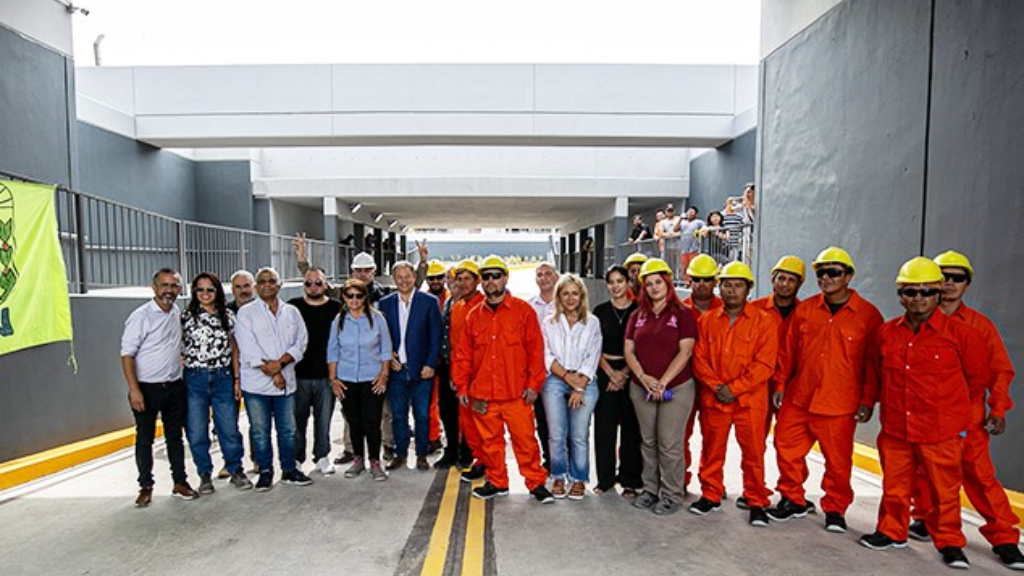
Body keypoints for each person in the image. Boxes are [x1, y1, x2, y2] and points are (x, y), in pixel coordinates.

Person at [859, 257, 988, 569]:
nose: (919, 298)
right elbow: (874, 373)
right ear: (900, 295)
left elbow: (976, 381)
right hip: (896, 429)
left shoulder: (962, 335)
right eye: (911, 291)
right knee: (895, 487)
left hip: (940, 432)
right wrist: (867, 403)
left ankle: (950, 543)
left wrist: (952, 418)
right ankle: (892, 531)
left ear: (938, 294)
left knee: (944, 493)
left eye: (926, 291)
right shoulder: (887, 333)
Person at [906, 251, 1024, 569]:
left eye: (957, 278)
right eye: (943, 276)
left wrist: (998, 409)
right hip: (927, 419)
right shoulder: (916, 323)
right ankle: (927, 519)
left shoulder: (979, 327)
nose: (949, 283)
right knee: (925, 474)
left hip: (967, 421)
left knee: (981, 478)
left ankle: (1004, 538)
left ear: (967, 284)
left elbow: (1000, 371)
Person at [768, 247, 883, 533]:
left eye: (834, 272)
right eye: (821, 273)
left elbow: (873, 364)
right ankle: (792, 498)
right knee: (786, 448)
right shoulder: (805, 310)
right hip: (799, 397)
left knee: (838, 462)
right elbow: (787, 352)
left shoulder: (868, 316)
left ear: (848, 276)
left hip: (839, 404)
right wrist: (780, 384)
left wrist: (868, 400)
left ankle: (835, 509)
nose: (826, 278)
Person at [452, 255, 555, 504]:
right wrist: (462, 386)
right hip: (483, 393)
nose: (491, 281)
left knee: (526, 442)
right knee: (490, 443)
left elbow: (536, 352)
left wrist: (534, 385)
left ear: (505, 278)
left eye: (496, 276)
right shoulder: (473, 316)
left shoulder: (523, 312)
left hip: (516, 393)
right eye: (486, 277)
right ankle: (497, 481)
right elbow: (463, 355)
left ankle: (536, 483)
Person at [689, 262, 778, 527]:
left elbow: (765, 364)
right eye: (727, 285)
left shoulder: (765, 322)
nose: (731, 290)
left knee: (754, 454)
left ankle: (756, 500)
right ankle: (710, 494)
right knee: (711, 450)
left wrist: (734, 389)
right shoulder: (707, 321)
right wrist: (718, 387)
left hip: (749, 402)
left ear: (748, 289)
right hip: (715, 399)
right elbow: (699, 359)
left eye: (738, 285)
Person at [624, 258, 698, 515]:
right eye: (649, 284)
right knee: (648, 442)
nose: (654, 287)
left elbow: (685, 351)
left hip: (676, 388)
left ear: (668, 283)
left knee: (669, 443)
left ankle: (671, 494)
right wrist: (643, 377)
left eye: (658, 282)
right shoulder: (637, 315)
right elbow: (629, 350)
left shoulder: (682, 314)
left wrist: (663, 381)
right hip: (642, 387)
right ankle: (650, 489)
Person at [120, 268, 198, 507]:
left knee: (175, 437)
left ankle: (180, 483)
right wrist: (134, 390)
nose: (169, 290)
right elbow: (127, 355)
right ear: (154, 287)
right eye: (164, 285)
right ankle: (145, 486)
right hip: (146, 389)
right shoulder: (141, 317)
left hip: (174, 387)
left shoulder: (176, 313)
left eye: (174, 286)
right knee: (145, 439)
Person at [234, 267, 312, 491]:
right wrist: (275, 372)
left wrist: (281, 365)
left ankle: (289, 470)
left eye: (272, 281)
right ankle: (265, 472)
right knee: (260, 432)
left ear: (280, 285)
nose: (267, 285)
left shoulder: (292, 312)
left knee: (288, 430)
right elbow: (248, 349)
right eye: (262, 281)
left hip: (286, 384)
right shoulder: (246, 313)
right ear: (256, 287)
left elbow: (301, 342)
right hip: (257, 385)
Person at [181, 272, 252, 494]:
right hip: (195, 378)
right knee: (196, 429)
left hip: (223, 377)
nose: (205, 294)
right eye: (200, 289)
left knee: (228, 427)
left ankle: (235, 469)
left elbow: (235, 348)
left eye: (210, 289)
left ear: (217, 291)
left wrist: (237, 378)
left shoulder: (228, 316)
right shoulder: (185, 317)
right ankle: (204, 474)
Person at [745, 255, 805, 508]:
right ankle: (753, 490)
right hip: (757, 384)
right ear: (772, 279)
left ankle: (792, 493)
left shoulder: (805, 313)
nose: (785, 284)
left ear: (799, 284)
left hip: (791, 386)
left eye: (791, 280)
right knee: (754, 442)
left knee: (790, 444)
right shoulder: (755, 309)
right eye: (781, 278)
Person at [540, 274, 602, 500]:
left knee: (579, 435)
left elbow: (593, 355)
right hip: (557, 378)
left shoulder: (592, 322)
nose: (570, 298)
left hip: (585, 380)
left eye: (575, 293)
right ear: (558, 296)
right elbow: (546, 355)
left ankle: (578, 479)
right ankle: (558, 475)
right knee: (556, 434)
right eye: (565, 293)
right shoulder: (548, 322)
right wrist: (567, 377)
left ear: (582, 296)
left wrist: (579, 387)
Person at [327, 279, 393, 481]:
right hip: (346, 378)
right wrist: (333, 379)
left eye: (359, 296)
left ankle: (375, 461)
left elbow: (386, 348)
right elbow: (333, 350)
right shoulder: (339, 321)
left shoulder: (377, 318)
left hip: (372, 378)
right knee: (353, 421)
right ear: (344, 297)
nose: (354, 300)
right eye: (350, 296)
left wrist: (384, 375)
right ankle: (358, 459)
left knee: (372, 421)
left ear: (365, 297)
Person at [379, 261, 442, 471]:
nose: (404, 281)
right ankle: (401, 454)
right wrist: (388, 355)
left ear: (415, 277)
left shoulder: (429, 302)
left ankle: (422, 453)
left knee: (422, 415)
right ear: (394, 279)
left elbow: (436, 336)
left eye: (408, 276)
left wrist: (430, 363)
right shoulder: (385, 303)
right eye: (399, 277)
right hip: (396, 370)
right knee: (398, 415)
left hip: (422, 370)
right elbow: (381, 335)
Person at [591, 265, 642, 498]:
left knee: (632, 428)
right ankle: (605, 479)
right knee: (604, 427)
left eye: (620, 281)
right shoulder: (599, 311)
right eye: (611, 282)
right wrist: (611, 374)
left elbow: (642, 347)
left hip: (632, 373)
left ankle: (630, 480)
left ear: (628, 283)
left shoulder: (639, 310)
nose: (615, 286)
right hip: (605, 371)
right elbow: (594, 347)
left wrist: (624, 373)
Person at [287, 267, 343, 475]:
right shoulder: (293, 307)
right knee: (297, 421)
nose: (313, 287)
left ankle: (322, 456)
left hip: (326, 375)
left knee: (324, 420)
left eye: (318, 283)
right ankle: (296, 458)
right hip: (298, 374)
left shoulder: (336, 307)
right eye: (308, 283)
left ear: (325, 284)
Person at [680, 253, 723, 490]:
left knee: (713, 439)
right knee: (680, 435)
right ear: (689, 281)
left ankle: (712, 484)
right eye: (696, 279)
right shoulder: (679, 310)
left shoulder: (726, 310)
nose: (701, 284)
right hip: (685, 383)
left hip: (714, 385)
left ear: (715, 281)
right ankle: (680, 479)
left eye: (707, 279)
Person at [450, 260, 489, 481]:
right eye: (459, 279)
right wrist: (456, 375)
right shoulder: (457, 308)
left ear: (477, 281)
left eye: (467, 279)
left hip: (482, 376)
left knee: (485, 424)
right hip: (464, 377)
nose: (463, 283)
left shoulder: (485, 305)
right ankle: (479, 460)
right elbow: (456, 347)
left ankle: (490, 464)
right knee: (468, 425)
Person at [434, 264, 467, 469]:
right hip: (446, 365)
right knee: (446, 411)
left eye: (456, 278)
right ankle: (451, 449)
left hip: (463, 366)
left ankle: (467, 451)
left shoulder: (468, 304)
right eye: (449, 278)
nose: (451, 282)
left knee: (466, 412)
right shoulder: (447, 303)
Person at [528, 261, 560, 470]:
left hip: (562, 372)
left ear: (556, 277)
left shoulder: (565, 303)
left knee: (562, 421)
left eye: (548, 273)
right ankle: (549, 460)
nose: (544, 278)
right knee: (542, 419)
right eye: (540, 275)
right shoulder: (529, 306)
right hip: (538, 371)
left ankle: (564, 461)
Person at [423, 259, 450, 455]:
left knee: (450, 403)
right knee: (430, 402)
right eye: (431, 278)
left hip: (449, 360)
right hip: (430, 360)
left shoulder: (453, 299)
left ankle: (457, 439)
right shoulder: (422, 300)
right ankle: (433, 437)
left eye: (439, 277)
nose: (435, 281)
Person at [674, 206, 705, 272]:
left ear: (696, 214)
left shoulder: (699, 222)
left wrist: (700, 232)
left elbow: (704, 228)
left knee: (693, 265)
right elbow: (675, 229)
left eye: (692, 212)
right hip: (684, 249)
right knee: (684, 267)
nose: (690, 213)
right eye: (689, 211)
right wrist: (680, 219)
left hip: (694, 248)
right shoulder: (683, 222)